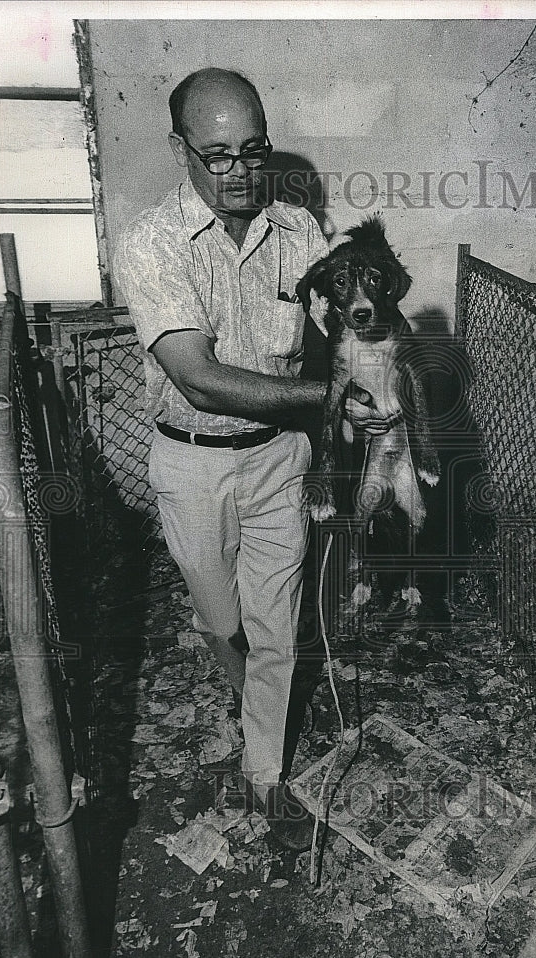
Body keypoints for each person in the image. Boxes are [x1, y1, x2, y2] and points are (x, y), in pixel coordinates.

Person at [113, 68, 394, 851]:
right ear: (180, 150)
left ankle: (263, 772)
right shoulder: (151, 243)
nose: (238, 171)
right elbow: (198, 380)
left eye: (253, 150)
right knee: (221, 618)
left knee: (276, 628)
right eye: (217, 155)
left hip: (279, 460)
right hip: (192, 464)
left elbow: (327, 338)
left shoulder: (298, 229)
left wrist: (368, 385)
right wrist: (325, 398)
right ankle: (234, 672)